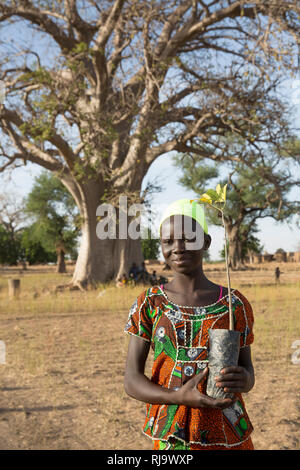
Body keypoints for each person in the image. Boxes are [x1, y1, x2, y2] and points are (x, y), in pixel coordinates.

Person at [124, 199, 255, 450]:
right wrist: (176, 397)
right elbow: (131, 380)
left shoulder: (234, 304)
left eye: (188, 238)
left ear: (206, 242)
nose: (178, 248)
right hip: (173, 439)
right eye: (168, 241)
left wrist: (244, 379)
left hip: (228, 434)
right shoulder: (150, 303)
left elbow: (248, 372)